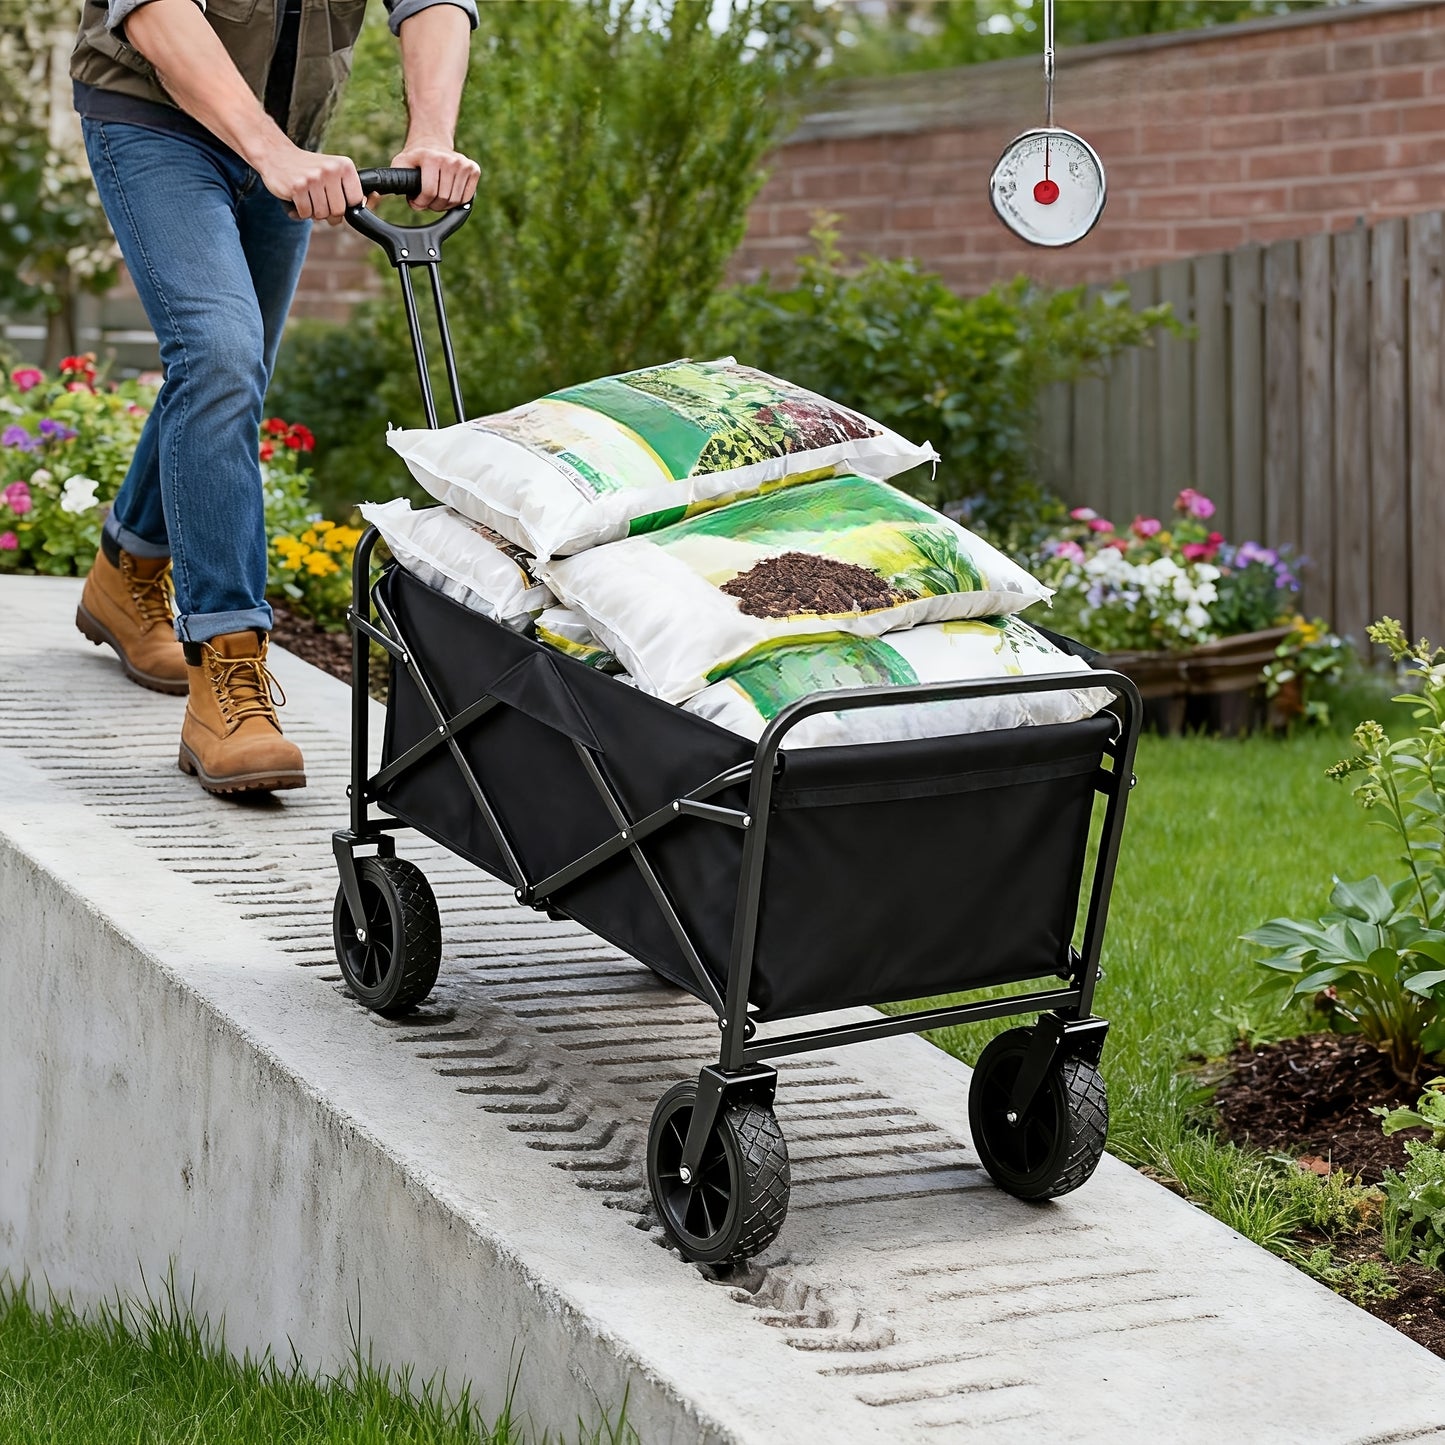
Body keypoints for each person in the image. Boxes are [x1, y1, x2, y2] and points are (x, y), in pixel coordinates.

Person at [70, 0, 480, 794]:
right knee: (219, 355)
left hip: (292, 137)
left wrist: (431, 130)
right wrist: (267, 149)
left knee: (229, 370)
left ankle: (126, 575)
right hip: (155, 118)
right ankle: (227, 678)